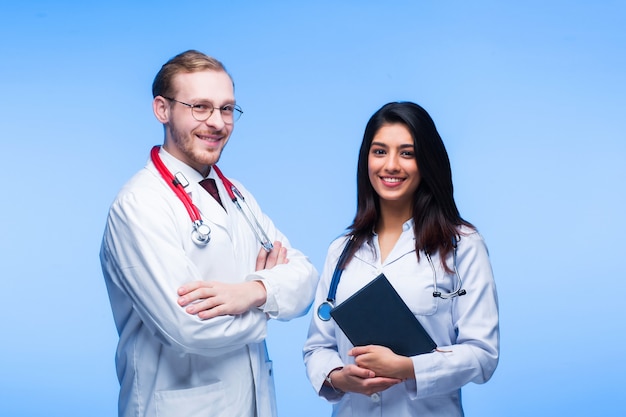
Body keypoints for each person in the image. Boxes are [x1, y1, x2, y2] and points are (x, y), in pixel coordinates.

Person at [100, 49, 318, 417]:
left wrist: (252, 291)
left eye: (227, 108)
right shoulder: (139, 205)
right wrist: (269, 302)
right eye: (200, 107)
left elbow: (306, 278)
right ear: (162, 110)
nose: (217, 122)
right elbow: (189, 329)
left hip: (252, 401)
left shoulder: (237, 193)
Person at [303, 101, 499, 416]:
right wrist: (341, 378)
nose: (391, 165)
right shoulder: (341, 250)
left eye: (407, 153)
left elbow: (482, 355)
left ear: (427, 162)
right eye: (379, 151)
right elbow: (318, 348)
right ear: (366, 159)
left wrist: (408, 367)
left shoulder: (462, 245)